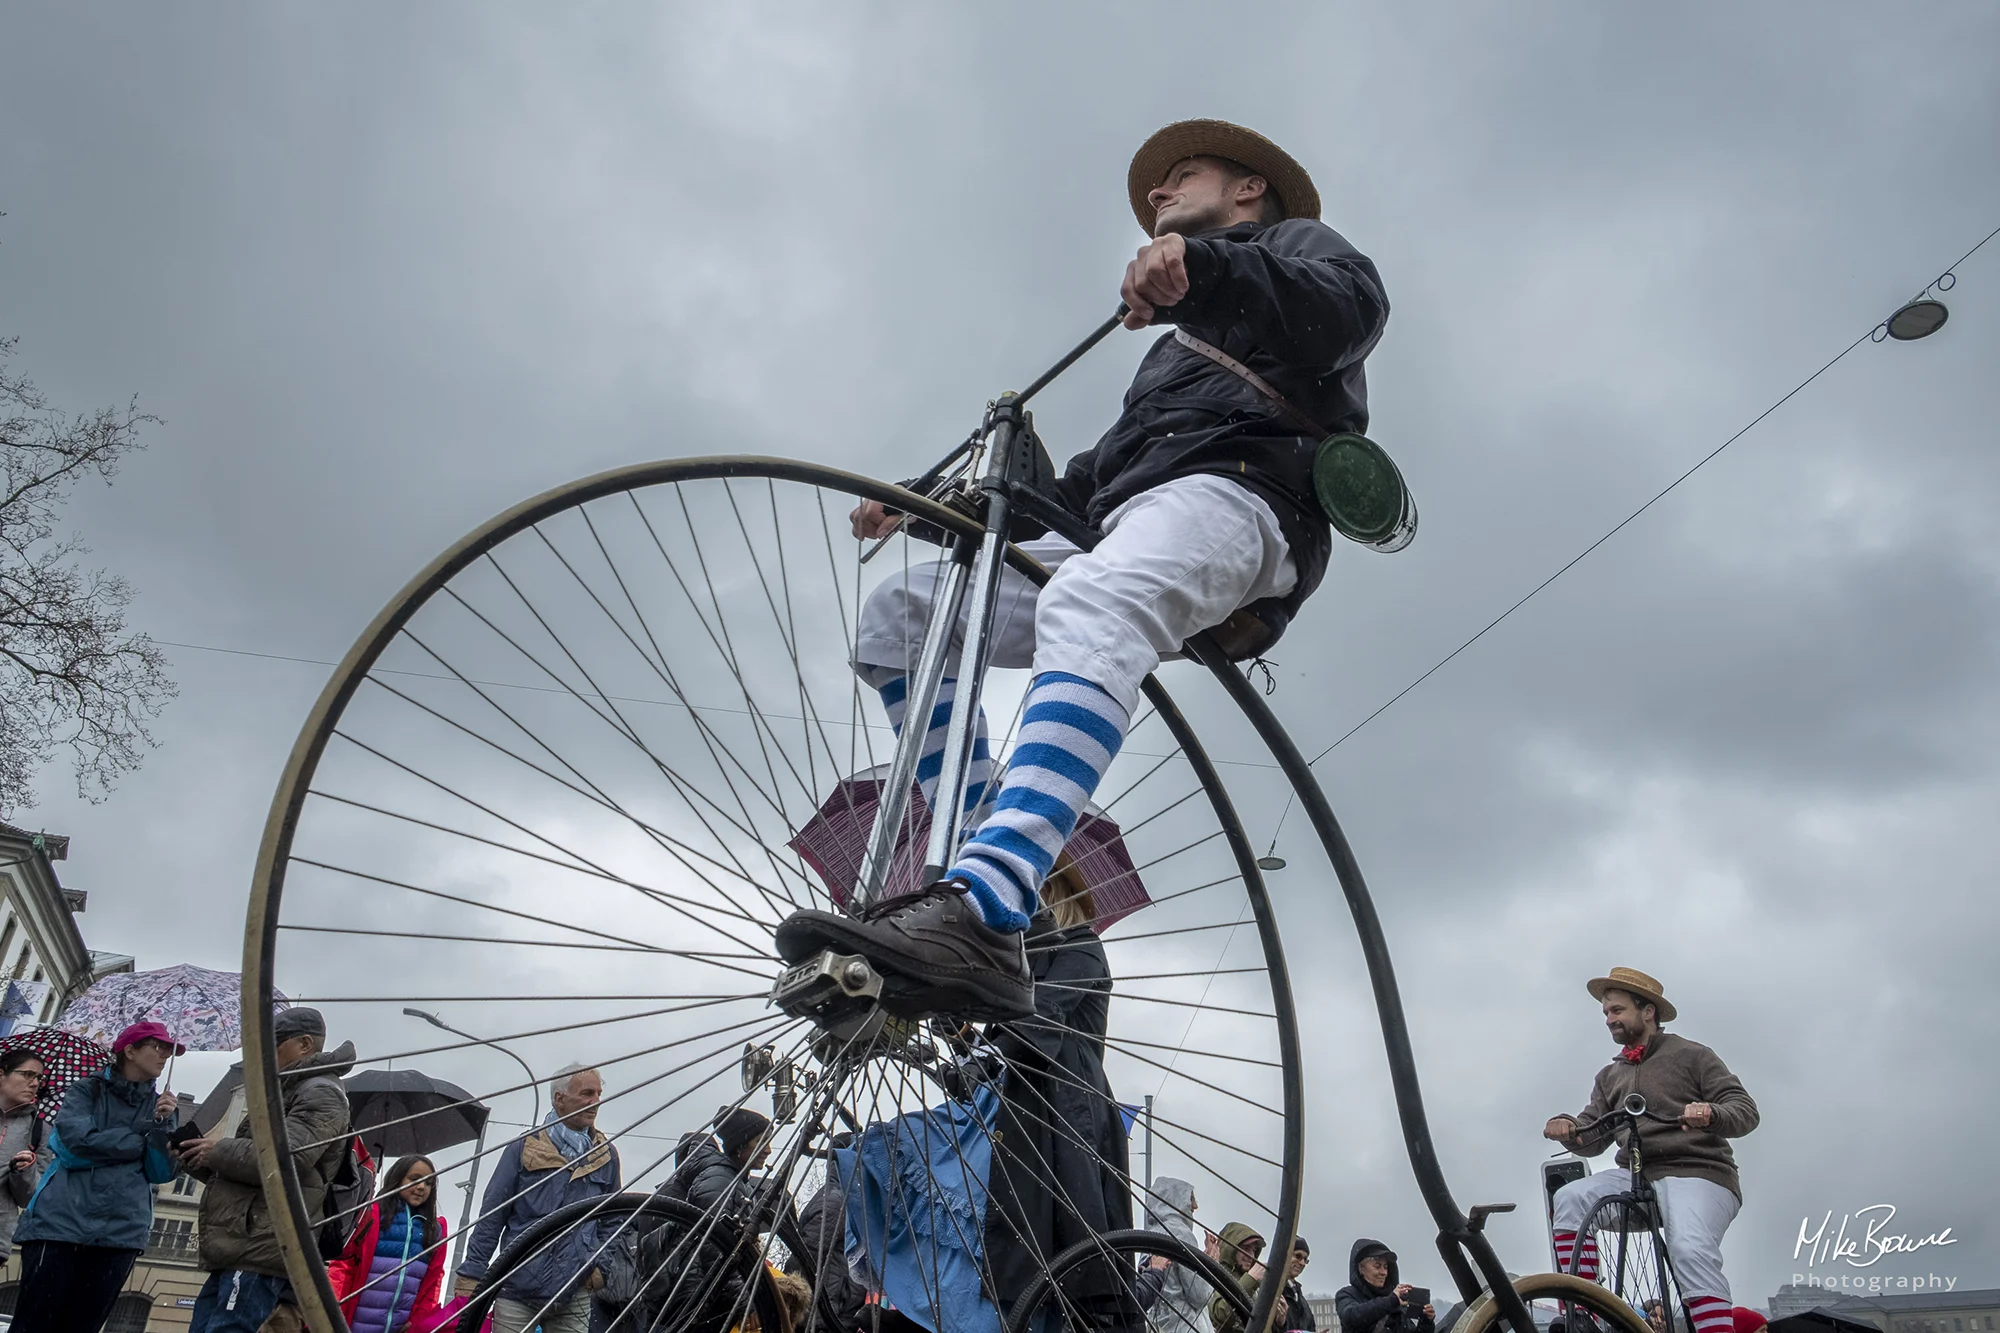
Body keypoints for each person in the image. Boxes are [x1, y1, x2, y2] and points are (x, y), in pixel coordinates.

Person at [775, 117, 1389, 1020]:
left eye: (1182, 176)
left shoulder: (1294, 250)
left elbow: (1349, 312)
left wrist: (1205, 268)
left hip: (1244, 495)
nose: (1157, 196)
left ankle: (989, 901)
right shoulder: (1169, 361)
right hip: (1130, 518)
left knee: (1094, 597)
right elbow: (1075, 493)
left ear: (1249, 189)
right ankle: (971, 860)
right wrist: (924, 504)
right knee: (902, 614)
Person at [1542, 968, 1759, 1333]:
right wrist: (1567, 1128)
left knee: (1688, 1247)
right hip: (1638, 1176)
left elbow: (1745, 1111)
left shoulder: (1693, 1056)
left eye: (1617, 1011)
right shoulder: (1610, 1076)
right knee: (1568, 1199)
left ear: (1648, 1012)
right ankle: (1583, 1314)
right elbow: (1592, 1134)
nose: (1610, 1020)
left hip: (1699, 1173)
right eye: (1607, 1013)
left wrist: (1711, 1113)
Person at [982, 864, 1134, 1331]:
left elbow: (1043, 1011)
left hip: (1069, 1099)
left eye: (1038, 889)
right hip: (1023, 1096)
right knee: (1016, 1236)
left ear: (1056, 893)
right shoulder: (1025, 957)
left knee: (1072, 1236)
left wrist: (985, 1052)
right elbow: (1003, 1031)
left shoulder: (1083, 945)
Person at [181, 1005, 357, 1333]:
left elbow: (288, 1159)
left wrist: (217, 1151)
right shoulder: (289, 1090)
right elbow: (258, 1169)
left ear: (304, 1044)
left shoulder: (320, 1091)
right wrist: (197, 1157)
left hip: (260, 1242)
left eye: (271, 1045)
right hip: (246, 1241)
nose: (263, 1055)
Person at [11, 1022, 181, 1332]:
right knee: (34, 1324)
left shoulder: (162, 1109)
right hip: (60, 1224)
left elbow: (162, 1172)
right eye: (158, 1046)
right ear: (129, 1050)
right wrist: (140, 1139)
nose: (165, 1054)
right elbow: (77, 1147)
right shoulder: (86, 1090)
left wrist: (162, 1126)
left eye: (170, 1049)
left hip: (121, 1231)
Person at [456, 1063, 621, 1333]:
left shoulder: (606, 1156)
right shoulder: (523, 1149)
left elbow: (614, 1219)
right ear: (560, 1099)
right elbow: (493, 1215)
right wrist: (472, 1273)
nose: (596, 1102)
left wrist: (599, 1268)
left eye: (599, 1094)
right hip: (517, 1289)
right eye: (587, 1094)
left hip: (574, 1292)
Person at [328, 1154, 448, 1333]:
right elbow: (345, 1266)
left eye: (429, 1183)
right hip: (352, 1323)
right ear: (397, 1179)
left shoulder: (435, 1230)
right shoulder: (371, 1215)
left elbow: (431, 1284)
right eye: (415, 1179)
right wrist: (334, 1310)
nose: (422, 1187)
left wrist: (416, 1322)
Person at [1134, 1177, 1209, 1333]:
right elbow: (1199, 1295)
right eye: (1190, 1199)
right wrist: (1211, 1263)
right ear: (1176, 1200)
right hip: (1186, 1326)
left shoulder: (1148, 1236)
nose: (1195, 1206)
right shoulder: (1181, 1233)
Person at [0, 1049, 48, 1260]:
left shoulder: (39, 1130)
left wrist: (24, 1172)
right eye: (28, 1074)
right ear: (2, 1074)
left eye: (38, 1077)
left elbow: (31, 1197)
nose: (35, 1083)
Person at [1334, 1239, 1434, 1333]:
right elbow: (1352, 1317)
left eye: (1386, 1267)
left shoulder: (1397, 1302)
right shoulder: (1347, 1295)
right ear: (1361, 1268)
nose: (1383, 1272)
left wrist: (1426, 1322)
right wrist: (1391, 1301)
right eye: (1377, 1266)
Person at [1208, 1223, 1289, 1333]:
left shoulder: (1256, 1286)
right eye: (1246, 1248)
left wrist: (1279, 1322)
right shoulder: (1215, 1274)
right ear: (1231, 1248)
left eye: (1254, 1250)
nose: (1251, 1255)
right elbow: (1220, 1315)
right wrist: (1251, 1279)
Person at [1282, 1238, 1314, 1332]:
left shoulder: (1300, 1297)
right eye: (1298, 1256)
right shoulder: (1271, 1291)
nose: (1302, 1263)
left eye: (1305, 1259)